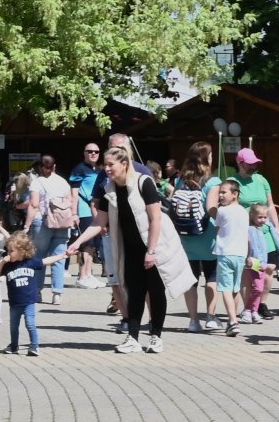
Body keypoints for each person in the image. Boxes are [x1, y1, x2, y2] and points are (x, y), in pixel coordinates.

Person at [69, 144, 193, 353]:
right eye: (105, 165)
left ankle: (155, 336)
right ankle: (133, 338)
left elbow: (155, 219)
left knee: (155, 291)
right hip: (128, 248)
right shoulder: (109, 190)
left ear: (124, 163)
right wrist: (77, 242)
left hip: (154, 246)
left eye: (111, 164)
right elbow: (99, 222)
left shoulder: (143, 183)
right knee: (134, 292)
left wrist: (151, 251)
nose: (107, 169)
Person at [171, 143, 222, 331]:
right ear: (206, 158)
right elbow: (211, 208)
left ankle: (193, 321)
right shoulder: (213, 183)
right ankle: (211, 316)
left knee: (191, 280)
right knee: (212, 277)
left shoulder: (180, 181)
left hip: (186, 237)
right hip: (207, 236)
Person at [0, 231, 69, 357]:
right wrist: (3, 262)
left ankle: (34, 346)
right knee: (13, 326)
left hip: (29, 301)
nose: (8, 253)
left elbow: (46, 261)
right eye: (8, 250)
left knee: (30, 324)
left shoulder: (30, 262)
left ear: (22, 250)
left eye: (11, 251)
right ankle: (14, 346)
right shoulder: (8, 266)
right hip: (14, 303)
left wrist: (62, 256)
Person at [29, 155, 75, 302]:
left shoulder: (37, 182)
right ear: (54, 167)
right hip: (62, 223)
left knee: (40, 258)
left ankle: (37, 291)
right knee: (59, 258)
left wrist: (26, 225)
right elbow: (71, 201)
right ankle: (57, 294)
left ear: (40, 167)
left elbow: (34, 204)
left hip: (42, 222)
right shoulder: (63, 182)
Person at [211, 178, 250, 336]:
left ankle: (233, 321)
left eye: (224, 192)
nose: (220, 195)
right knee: (235, 288)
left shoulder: (222, 211)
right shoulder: (244, 211)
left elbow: (217, 228)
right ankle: (232, 320)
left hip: (225, 253)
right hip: (240, 254)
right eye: (220, 192)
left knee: (225, 288)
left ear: (235, 194)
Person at [68, 142, 106, 283]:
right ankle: (82, 275)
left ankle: (89, 274)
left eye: (96, 151)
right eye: (90, 151)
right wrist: (74, 213)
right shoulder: (79, 169)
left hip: (96, 210)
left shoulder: (99, 170)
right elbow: (74, 193)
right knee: (86, 243)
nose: (93, 154)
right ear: (84, 153)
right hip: (84, 210)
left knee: (94, 244)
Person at [241, 202, 279, 324]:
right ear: (252, 215)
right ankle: (248, 310)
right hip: (253, 262)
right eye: (260, 217)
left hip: (261, 263)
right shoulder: (250, 229)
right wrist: (248, 258)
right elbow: (250, 246)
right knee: (257, 288)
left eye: (265, 217)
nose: (263, 220)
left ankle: (253, 311)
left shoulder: (263, 229)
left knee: (259, 288)